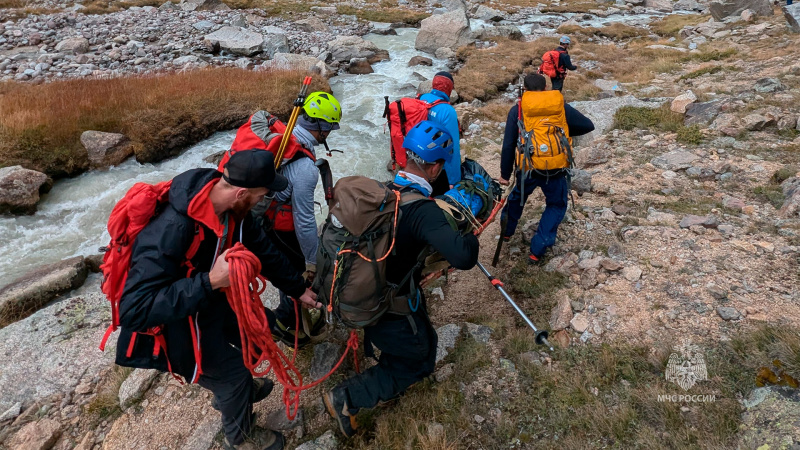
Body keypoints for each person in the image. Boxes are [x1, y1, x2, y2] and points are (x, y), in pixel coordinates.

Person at [117, 150, 320, 450]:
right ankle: (240, 439)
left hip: (205, 303)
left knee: (252, 333)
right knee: (234, 374)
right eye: (262, 194)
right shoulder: (173, 229)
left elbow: (264, 251)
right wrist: (210, 281)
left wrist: (297, 289)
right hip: (173, 326)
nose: (264, 200)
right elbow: (133, 310)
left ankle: (234, 391)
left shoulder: (233, 212)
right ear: (241, 193)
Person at [321, 121, 479, 437]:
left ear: (405, 155)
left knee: (416, 337)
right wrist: (470, 236)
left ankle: (388, 361)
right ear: (434, 169)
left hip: (364, 290)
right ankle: (347, 398)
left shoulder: (384, 192)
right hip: (389, 304)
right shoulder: (424, 211)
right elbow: (464, 258)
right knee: (422, 356)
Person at [220, 92, 342, 347]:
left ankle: (290, 320)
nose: (329, 134)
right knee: (297, 272)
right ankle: (292, 327)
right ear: (321, 127)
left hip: (257, 220)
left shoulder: (281, 135)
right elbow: (305, 220)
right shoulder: (305, 168)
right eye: (329, 128)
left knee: (286, 269)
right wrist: (311, 260)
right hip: (274, 226)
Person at [499, 73, 595, 265]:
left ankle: (507, 233)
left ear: (524, 89)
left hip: (528, 167)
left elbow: (509, 144)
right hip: (556, 168)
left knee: (517, 198)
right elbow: (588, 125)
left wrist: (504, 174)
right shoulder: (558, 107)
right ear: (545, 88)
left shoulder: (518, 109)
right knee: (556, 204)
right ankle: (537, 250)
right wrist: (563, 130)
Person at [419, 71, 462, 196]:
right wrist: (454, 180)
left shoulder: (421, 99)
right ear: (449, 88)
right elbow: (452, 148)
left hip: (415, 161)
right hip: (434, 169)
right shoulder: (447, 111)